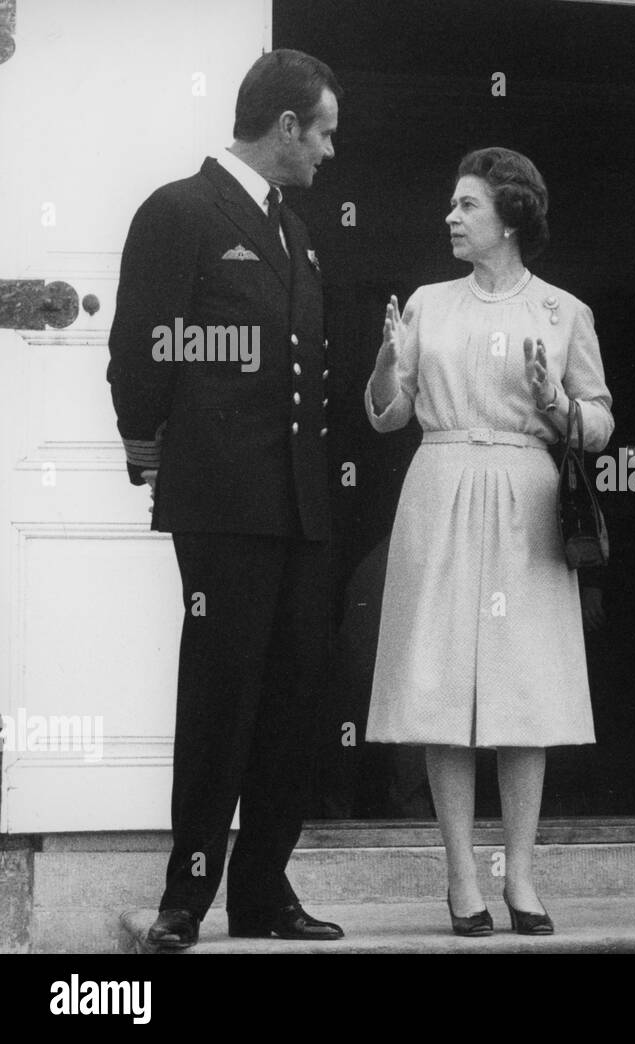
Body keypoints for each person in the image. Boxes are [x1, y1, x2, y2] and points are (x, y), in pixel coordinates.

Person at [106, 49, 345, 949]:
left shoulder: (296, 231)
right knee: (220, 699)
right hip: (221, 501)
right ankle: (187, 898)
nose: (327, 151)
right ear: (285, 126)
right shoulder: (179, 211)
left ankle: (264, 895)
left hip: (298, 508)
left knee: (291, 704)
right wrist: (161, 454)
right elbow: (140, 352)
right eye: (321, 131)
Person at [365, 147, 613, 936]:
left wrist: (558, 406)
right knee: (442, 685)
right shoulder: (428, 305)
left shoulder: (563, 312)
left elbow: (600, 422)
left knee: (523, 688)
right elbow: (389, 414)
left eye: (466, 205)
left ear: (508, 220)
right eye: (452, 203)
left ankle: (524, 877)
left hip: (526, 496)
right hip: (439, 486)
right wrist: (385, 364)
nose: (450, 216)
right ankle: (461, 876)